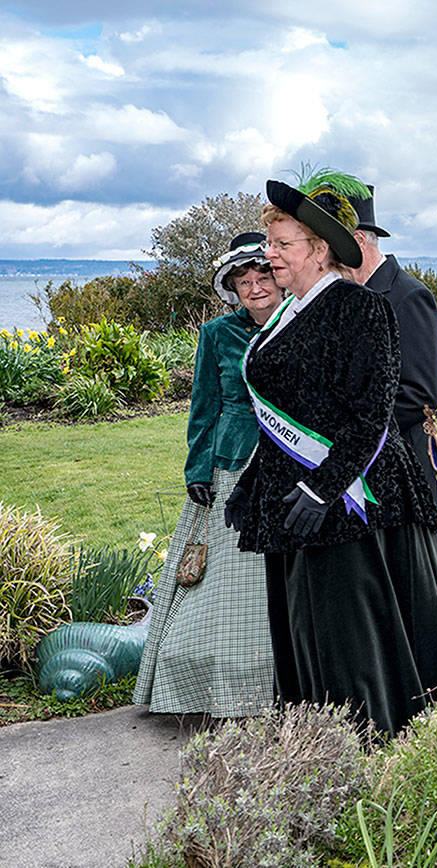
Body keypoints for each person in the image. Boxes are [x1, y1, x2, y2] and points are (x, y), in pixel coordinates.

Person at [225, 169, 437, 736]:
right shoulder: (286, 315)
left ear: (319, 250)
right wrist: (253, 481)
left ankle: (369, 744)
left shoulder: (359, 308)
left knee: (346, 636)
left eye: (283, 245)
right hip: (294, 503)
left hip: (348, 506)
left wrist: (320, 487)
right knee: (304, 633)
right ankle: (314, 748)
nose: (271, 256)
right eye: (270, 244)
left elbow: (373, 414)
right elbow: (287, 410)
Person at [134, 232, 281, 718]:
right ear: (233, 287)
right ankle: (214, 683)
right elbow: (204, 406)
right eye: (245, 280)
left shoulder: (300, 319)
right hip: (234, 459)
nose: (256, 287)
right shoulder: (217, 333)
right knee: (223, 579)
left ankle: (285, 679)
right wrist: (198, 468)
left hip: (289, 462)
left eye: (263, 275)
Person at [342, 184, 437, 491]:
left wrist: (353, 429)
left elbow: (421, 394)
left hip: (402, 460)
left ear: (358, 240)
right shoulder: (349, 296)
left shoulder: (409, 296)